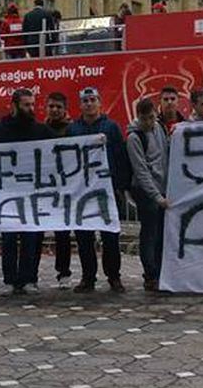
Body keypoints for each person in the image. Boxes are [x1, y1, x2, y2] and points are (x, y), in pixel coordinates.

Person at [0, 89, 53, 295]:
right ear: (14, 106)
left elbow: (63, 145)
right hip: (8, 195)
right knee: (9, 238)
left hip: (32, 195)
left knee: (32, 238)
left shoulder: (40, 130)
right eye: (26, 105)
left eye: (32, 104)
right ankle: (10, 280)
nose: (31, 109)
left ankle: (29, 278)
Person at [67, 87, 130, 293]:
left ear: (100, 103)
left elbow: (121, 157)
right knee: (84, 237)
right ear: (80, 105)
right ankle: (88, 277)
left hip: (106, 190)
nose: (89, 104)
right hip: (82, 192)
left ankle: (114, 276)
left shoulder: (111, 127)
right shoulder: (73, 129)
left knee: (110, 236)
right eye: (85, 101)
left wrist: (121, 185)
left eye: (93, 100)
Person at [127, 98, 170, 292]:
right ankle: (150, 273)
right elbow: (141, 170)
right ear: (138, 117)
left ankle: (160, 271)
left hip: (161, 186)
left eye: (151, 118)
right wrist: (156, 196)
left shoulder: (159, 129)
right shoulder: (134, 138)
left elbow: (165, 155)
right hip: (145, 191)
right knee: (150, 232)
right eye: (144, 119)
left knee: (160, 232)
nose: (148, 123)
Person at [43, 92, 76, 289]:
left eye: (58, 107)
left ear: (64, 109)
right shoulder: (40, 130)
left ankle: (63, 272)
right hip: (44, 187)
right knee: (36, 233)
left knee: (63, 233)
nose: (54, 110)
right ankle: (31, 275)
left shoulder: (72, 130)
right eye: (51, 106)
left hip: (66, 188)